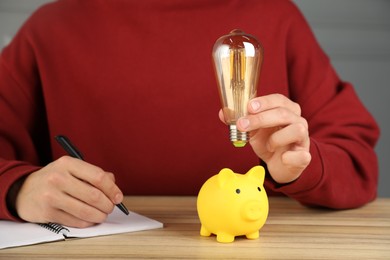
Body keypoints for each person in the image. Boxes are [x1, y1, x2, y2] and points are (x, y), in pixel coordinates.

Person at [0, 0, 379, 228]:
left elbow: (357, 161)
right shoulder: (51, 29)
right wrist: (18, 189)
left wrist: (303, 163)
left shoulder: (276, 17)